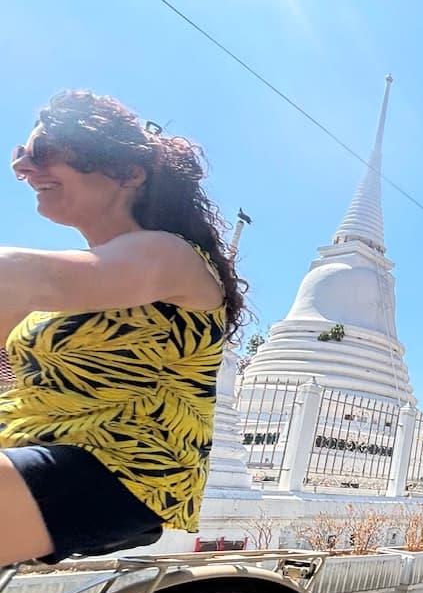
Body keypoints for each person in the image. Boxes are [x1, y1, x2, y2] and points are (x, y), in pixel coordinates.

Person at [0, 90, 246, 566]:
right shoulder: (47, 302)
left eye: (46, 152)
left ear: (129, 173)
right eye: (21, 155)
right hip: (25, 448)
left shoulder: (169, 256)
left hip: (117, 468)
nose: (25, 169)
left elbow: (13, 273)